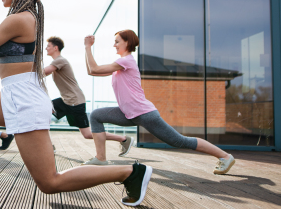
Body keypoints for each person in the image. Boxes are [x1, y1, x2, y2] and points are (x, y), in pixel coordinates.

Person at [0, 0, 152, 208]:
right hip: (14, 95)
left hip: (24, 100)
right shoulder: (22, 21)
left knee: (49, 182)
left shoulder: (21, 19)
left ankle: (130, 172)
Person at [84, 30, 235, 175]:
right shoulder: (121, 65)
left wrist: (88, 47)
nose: (114, 45)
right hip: (128, 113)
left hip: (144, 113)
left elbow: (95, 68)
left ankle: (225, 157)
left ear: (127, 42)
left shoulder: (126, 61)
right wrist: (87, 50)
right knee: (96, 115)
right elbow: (91, 71)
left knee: (179, 141)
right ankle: (101, 158)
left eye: (117, 42)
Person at [44, 36, 93, 141]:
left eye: (48, 46)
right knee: (44, 109)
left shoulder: (60, 60)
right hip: (66, 100)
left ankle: (123, 139)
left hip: (75, 101)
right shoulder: (57, 62)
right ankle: (47, 144)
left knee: (88, 134)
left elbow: (43, 72)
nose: (46, 48)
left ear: (55, 48)